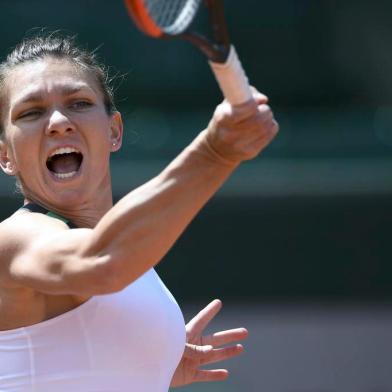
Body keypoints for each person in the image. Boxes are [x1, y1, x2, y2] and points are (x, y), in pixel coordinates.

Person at [0, 33, 278, 391]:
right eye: (31, 112)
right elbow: (103, 263)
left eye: (79, 103)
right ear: (6, 155)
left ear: (114, 132)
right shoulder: (15, 239)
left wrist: (151, 364)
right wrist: (215, 151)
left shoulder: (130, 251)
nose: (58, 121)